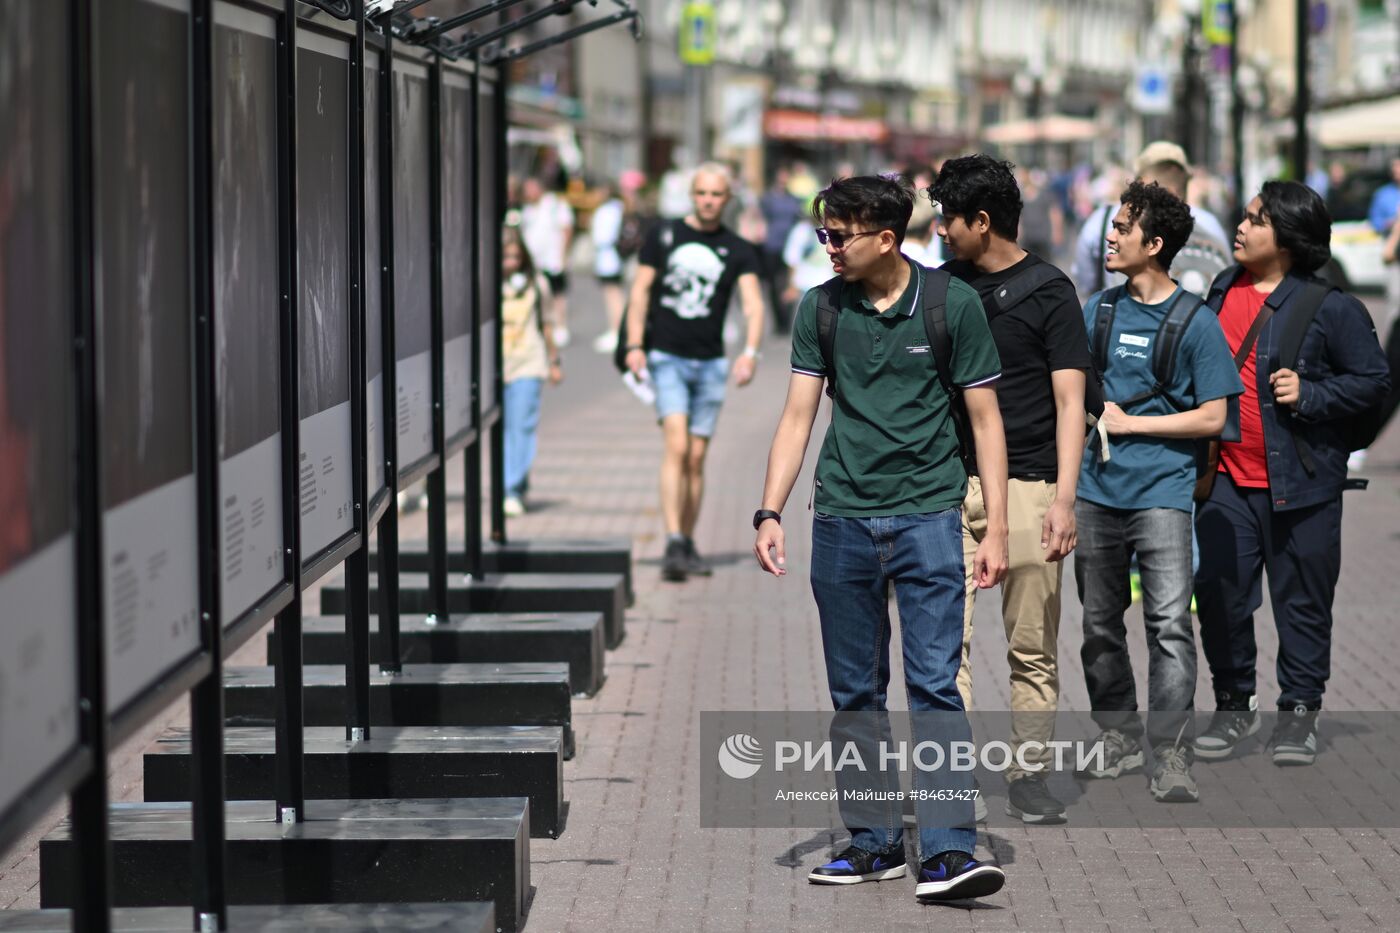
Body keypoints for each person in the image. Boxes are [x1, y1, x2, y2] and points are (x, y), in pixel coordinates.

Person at [753, 174, 1009, 902]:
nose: (828, 246)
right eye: (823, 233)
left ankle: (951, 851)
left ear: (887, 238)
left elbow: (986, 420)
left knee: (934, 688)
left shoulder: (951, 305)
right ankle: (872, 843)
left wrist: (994, 526)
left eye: (841, 234)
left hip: (931, 515)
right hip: (841, 521)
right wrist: (769, 510)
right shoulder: (821, 308)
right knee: (856, 694)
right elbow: (799, 416)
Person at [1193, 182, 1390, 766]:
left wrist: (1312, 393)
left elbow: (1374, 383)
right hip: (1226, 477)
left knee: (1302, 602)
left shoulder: (1332, 308)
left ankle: (1299, 713)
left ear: (1288, 239)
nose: (1241, 225)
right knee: (1222, 596)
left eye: (1257, 219)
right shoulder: (1222, 288)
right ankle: (1234, 707)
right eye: (1246, 214)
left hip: (1302, 484)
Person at [930, 154, 1089, 825]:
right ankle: (953, 782)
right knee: (944, 649)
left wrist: (1063, 499)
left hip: (1029, 487)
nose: (939, 230)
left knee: (1031, 645)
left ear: (983, 219)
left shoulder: (1051, 291)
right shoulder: (938, 289)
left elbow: (1071, 401)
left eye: (947, 218)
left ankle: (1028, 775)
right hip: (946, 486)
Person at [1076, 180, 1243, 803]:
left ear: (1156, 243)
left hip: (1164, 493)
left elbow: (1213, 416)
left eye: (1122, 227)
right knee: (1099, 624)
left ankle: (1171, 753)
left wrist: (1134, 423)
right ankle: (1117, 737)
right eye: (1112, 226)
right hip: (1096, 491)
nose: (1110, 236)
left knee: (1170, 623)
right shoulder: (1098, 310)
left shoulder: (1195, 322)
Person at [623, 162, 764, 582]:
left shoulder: (738, 248)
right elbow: (640, 292)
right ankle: (672, 541)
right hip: (666, 355)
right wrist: (634, 344)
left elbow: (753, 304)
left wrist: (751, 352)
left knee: (697, 457)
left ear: (727, 199)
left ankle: (687, 538)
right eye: (701, 193)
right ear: (692, 195)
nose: (707, 201)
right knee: (678, 446)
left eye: (716, 194)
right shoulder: (664, 235)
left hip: (711, 363)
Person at [1072, 141, 1231, 300]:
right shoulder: (1210, 224)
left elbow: (1086, 283)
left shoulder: (1101, 220)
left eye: (1123, 230)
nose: (1112, 237)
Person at [500, 227, 563, 516]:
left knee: (521, 425)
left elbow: (547, 324)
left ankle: (511, 488)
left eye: (515, 256)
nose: (510, 262)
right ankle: (515, 482)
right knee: (503, 429)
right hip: (496, 365)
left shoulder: (537, 284)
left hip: (528, 360)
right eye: (504, 257)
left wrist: (553, 361)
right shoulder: (485, 284)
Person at [519, 175, 575, 347]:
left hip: (553, 259)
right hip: (534, 262)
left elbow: (567, 230)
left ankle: (560, 326)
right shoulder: (526, 209)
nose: (529, 192)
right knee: (537, 294)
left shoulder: (555, 205)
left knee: (557, 294)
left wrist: (563, 255)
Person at [758, 165, 803, 333]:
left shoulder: (795, 199)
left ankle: (786, 320)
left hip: (789, 246)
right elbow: (760, 218)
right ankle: (778, 320)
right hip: (772, 245)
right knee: (773, 285)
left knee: (788, 283)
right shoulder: (768, 198)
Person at [590, 181, 627, 354]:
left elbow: (603, 236)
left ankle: (617, 329)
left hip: (610, 258)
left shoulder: (610, 210)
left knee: (613, 294)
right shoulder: (616, 208)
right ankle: (616, 329)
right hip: (610, 257)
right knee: (612, 293)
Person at [1370, 159, 1400, 327]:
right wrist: (1390, 223)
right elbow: (1375, 221)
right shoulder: (1383, 194)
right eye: (1395, 168)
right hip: (1393, 249)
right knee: (1395, 297)